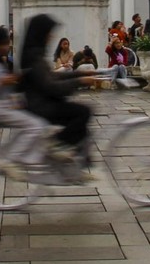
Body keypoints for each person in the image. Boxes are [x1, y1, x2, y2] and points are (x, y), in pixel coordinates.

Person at [19, 14, 96, 167]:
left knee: (81, 129)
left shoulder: (34, 53)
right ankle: (56, 143)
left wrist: (80, 73)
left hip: (41, 102)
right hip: (41, 106)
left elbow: (51, 76)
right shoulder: (34, 57)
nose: (51, 36)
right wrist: (79, 81)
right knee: (83, 112)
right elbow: (50, 86)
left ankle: (79, 166)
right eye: (49, 33)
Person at [0, 25, 48, 171]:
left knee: (34, 116)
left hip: (6, 105)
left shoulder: (0, 62)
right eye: (3, 44)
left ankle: (21, 152)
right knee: (37, 125)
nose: (6, 47)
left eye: (7, 43)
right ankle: (16, 158)